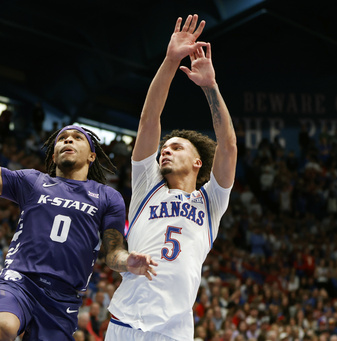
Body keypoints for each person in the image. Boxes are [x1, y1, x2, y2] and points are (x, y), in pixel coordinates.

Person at [0, 84, 157, 341]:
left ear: (91, 156)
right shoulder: (32, 182)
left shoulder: (108, 196)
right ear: (53, 156)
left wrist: (128, 262)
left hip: (63, 298)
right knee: (1, 328)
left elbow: (113, 252)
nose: (68, 140)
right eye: (62, 139)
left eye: (77, 138)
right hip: (19, 280)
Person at [106, 14, 237, 341]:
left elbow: (229, 146)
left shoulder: (211, 201)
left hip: (174, 331)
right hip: (125, 320)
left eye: (176, 147)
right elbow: (149, 120)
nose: (165, 150)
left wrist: (210, 87)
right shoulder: (146, 185)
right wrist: (170, 60)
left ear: (196, 162)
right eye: (164, 147)